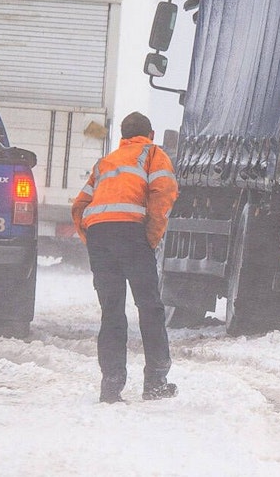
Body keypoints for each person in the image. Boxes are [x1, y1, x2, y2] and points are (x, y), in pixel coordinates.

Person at [72, 112, 181, 403]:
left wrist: (92, 238)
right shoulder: (153, 155)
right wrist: (151, 239)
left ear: (123, 136)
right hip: (132, 233)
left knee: (112, 310)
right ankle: (155, 382)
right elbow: (163, 195)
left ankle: (110, 386)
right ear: (151, 134)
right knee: (149, 307)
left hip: (100, 235)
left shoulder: (106, 162)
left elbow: (80, 205)